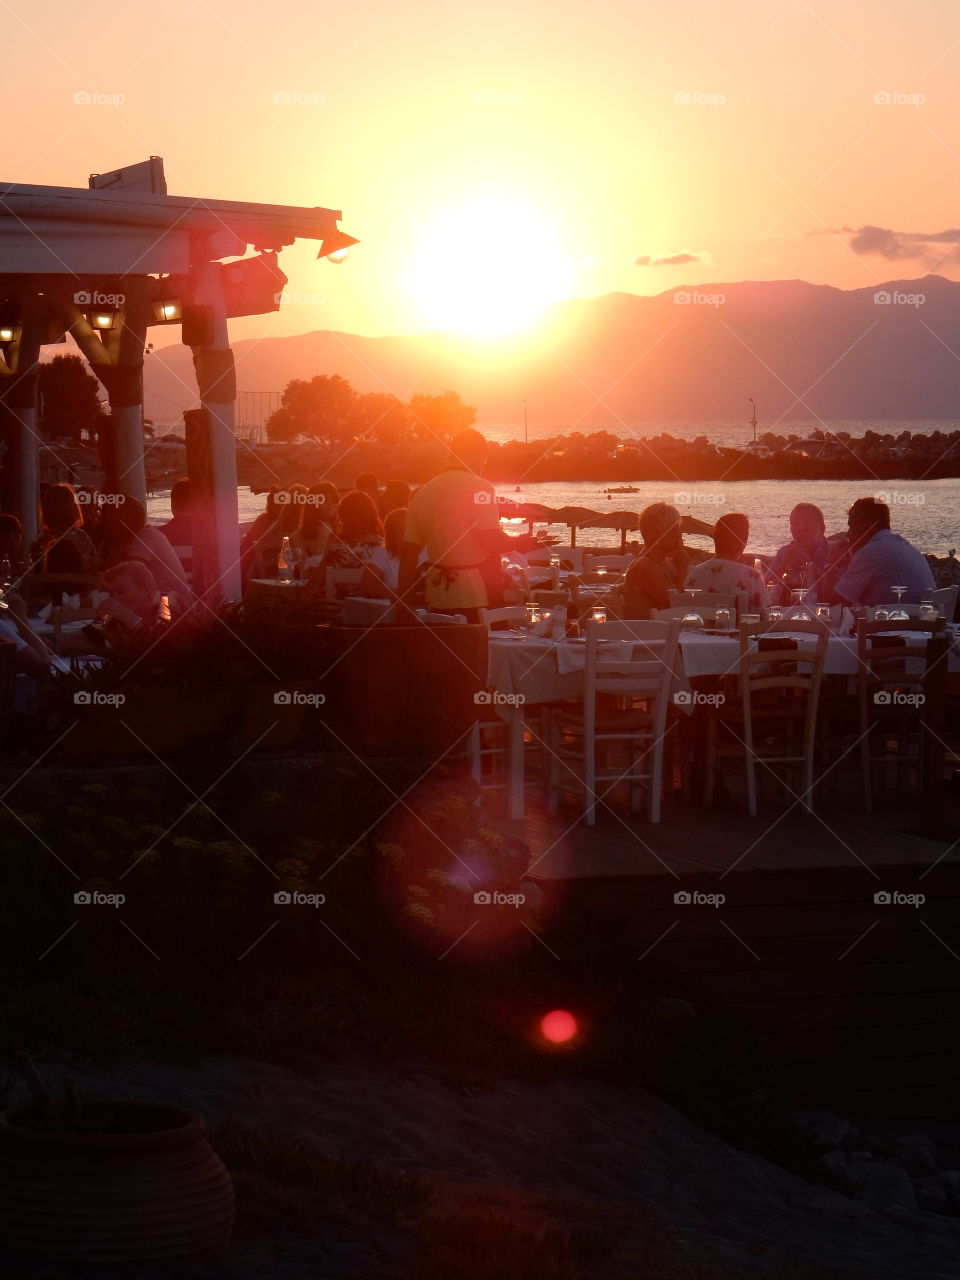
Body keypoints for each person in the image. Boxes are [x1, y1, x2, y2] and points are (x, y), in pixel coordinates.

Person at [398, 429, 552, 622]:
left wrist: (401, 603)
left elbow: (408, 554)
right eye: (484, 460)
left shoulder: (422, 493)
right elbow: (488, 539)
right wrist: (521, 542)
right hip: (478, 596)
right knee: (487, 649)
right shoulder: (481, 487)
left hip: (438, 598)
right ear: (480, 456)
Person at [59, 561, 180, 659]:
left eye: (121, 592)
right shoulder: (113, 620)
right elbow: (67, 645)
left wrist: (131, 619)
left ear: (146, 590)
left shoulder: (166, 611)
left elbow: (160, 652)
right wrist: (109, 652)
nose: (115, 599)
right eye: (111, 594)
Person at [831, 497, 935, 606]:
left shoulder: (869, 553)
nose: (848, 534)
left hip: (895, 622)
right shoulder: (905, 547)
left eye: (851, 526)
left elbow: (836, 603)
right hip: (929, 620)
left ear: (866, 525)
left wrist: (830, 562)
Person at [100, 496, 191, 597]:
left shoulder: (146, 536)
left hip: (172, 605)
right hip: (162, 600)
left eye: (112, 518)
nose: (107, 524)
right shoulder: (136, 539)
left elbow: (129, 576)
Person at [684, 512, 769, 613]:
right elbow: (765, 614)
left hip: (698, 628)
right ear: (743, 542)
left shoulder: (694, 573)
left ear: (716, 539)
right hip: (739, 629)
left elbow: (684, 610)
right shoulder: (751, 576)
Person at [621, 503, 689, 619]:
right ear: (655, 534)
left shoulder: (666, 563)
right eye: (673, 529)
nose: (679, 535)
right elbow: (674, 606)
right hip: (647, 634)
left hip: (663, 631)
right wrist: (682, 569)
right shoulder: (642, 566)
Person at [321, 490, 385, 596]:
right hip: (375, 609)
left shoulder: (336, 548)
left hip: (340, 609)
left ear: (344, 518)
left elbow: (316, 583)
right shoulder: (384, 549)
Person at [769, 503, 832, 601]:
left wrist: (809, 564)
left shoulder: (835, 552)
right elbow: (766, 589)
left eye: (808, 523)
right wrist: (783, 567)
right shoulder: (785, 552)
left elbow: (841, 594)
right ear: (791, 530)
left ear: (822, 528)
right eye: (796, 524)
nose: (801, 529)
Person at [360, 507, 426, 597]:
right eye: (402, 529)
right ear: (390, 535)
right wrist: (400, 594)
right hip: (396, 608)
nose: (409, 533)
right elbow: (367, 587)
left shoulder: (427, 552)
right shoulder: (383, 553)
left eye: (411, 528)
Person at [37, 483, 97, 578]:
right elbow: (93, 568)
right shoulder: (83, 538)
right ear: (74, 507)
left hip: (50, 589)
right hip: (80, 588)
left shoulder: (43, 541)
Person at [291, 482, 339, 569]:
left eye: (334, 499)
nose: (330, 503)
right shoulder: (297, 536)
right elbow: (305, 571)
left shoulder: (343, 531)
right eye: (324, 500)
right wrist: (322, 538)